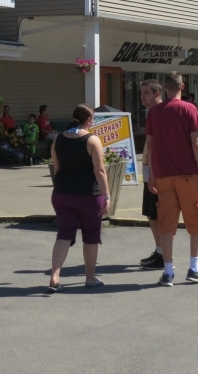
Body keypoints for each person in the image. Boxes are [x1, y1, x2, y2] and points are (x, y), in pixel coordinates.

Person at [146, 71, 198, 286]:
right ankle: (194, 267)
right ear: (182, 87)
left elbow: (151, 145)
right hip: (188, 174)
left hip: (164, 174)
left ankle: (167, 271)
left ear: (165, 88)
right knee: (196, 222)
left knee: (166, 224)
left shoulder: (154, 112)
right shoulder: (189, 109)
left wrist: (152, 174)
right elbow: (196, 142)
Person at [48, 105, 110, 291]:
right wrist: (106, 194)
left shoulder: (58, 139)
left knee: (64, 234)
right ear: (89, 120)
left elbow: (56, 167)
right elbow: (99, 171)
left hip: (62, 193)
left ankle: (55, 275)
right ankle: (90, 277)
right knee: (90, 236)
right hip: (88, 196)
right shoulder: (92, 141)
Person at [138, 79, 164, 271]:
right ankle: (160, 250)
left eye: (146, 92)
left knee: (156, 213)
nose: (142, 97)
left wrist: (153, 173)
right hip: (150, 171)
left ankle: (163, 254)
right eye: (141, 93)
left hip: (158, 172)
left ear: (157, 93)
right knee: (151, 213)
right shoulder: (151, 114)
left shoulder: (161, 112)